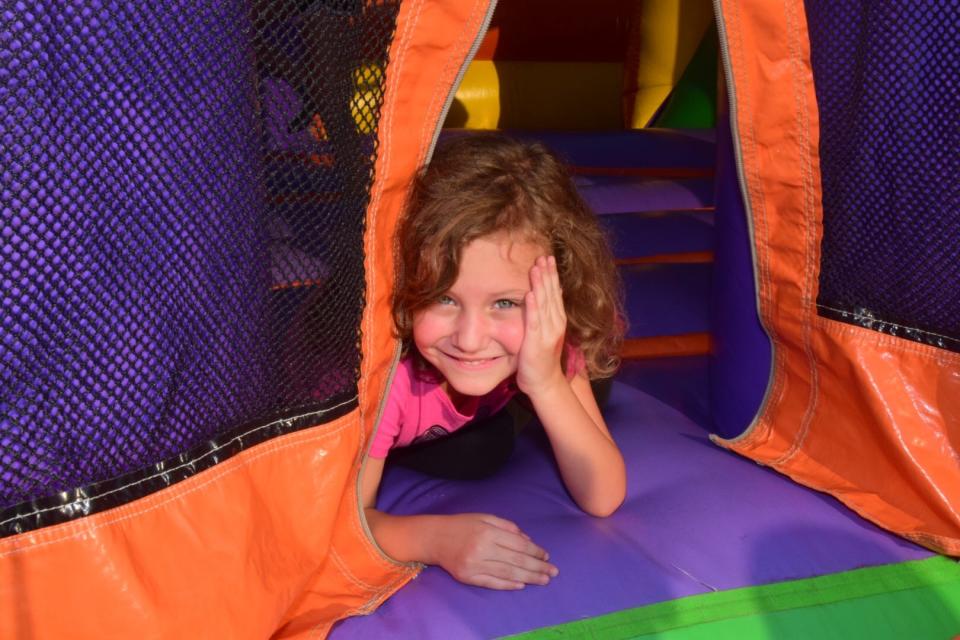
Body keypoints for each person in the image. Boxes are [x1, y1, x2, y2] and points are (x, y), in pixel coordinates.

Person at [361, 134, 627, 590]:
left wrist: (545, 380)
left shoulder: (546, 336)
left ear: (553, 296)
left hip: (504, 388)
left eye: (504, 303)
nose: (468, 338)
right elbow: (339, 524)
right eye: (443, 297)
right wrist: (435, 539)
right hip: (418, 408)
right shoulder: (383, 378)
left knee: (591, 386)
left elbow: (603, 496)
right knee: (474, 455)